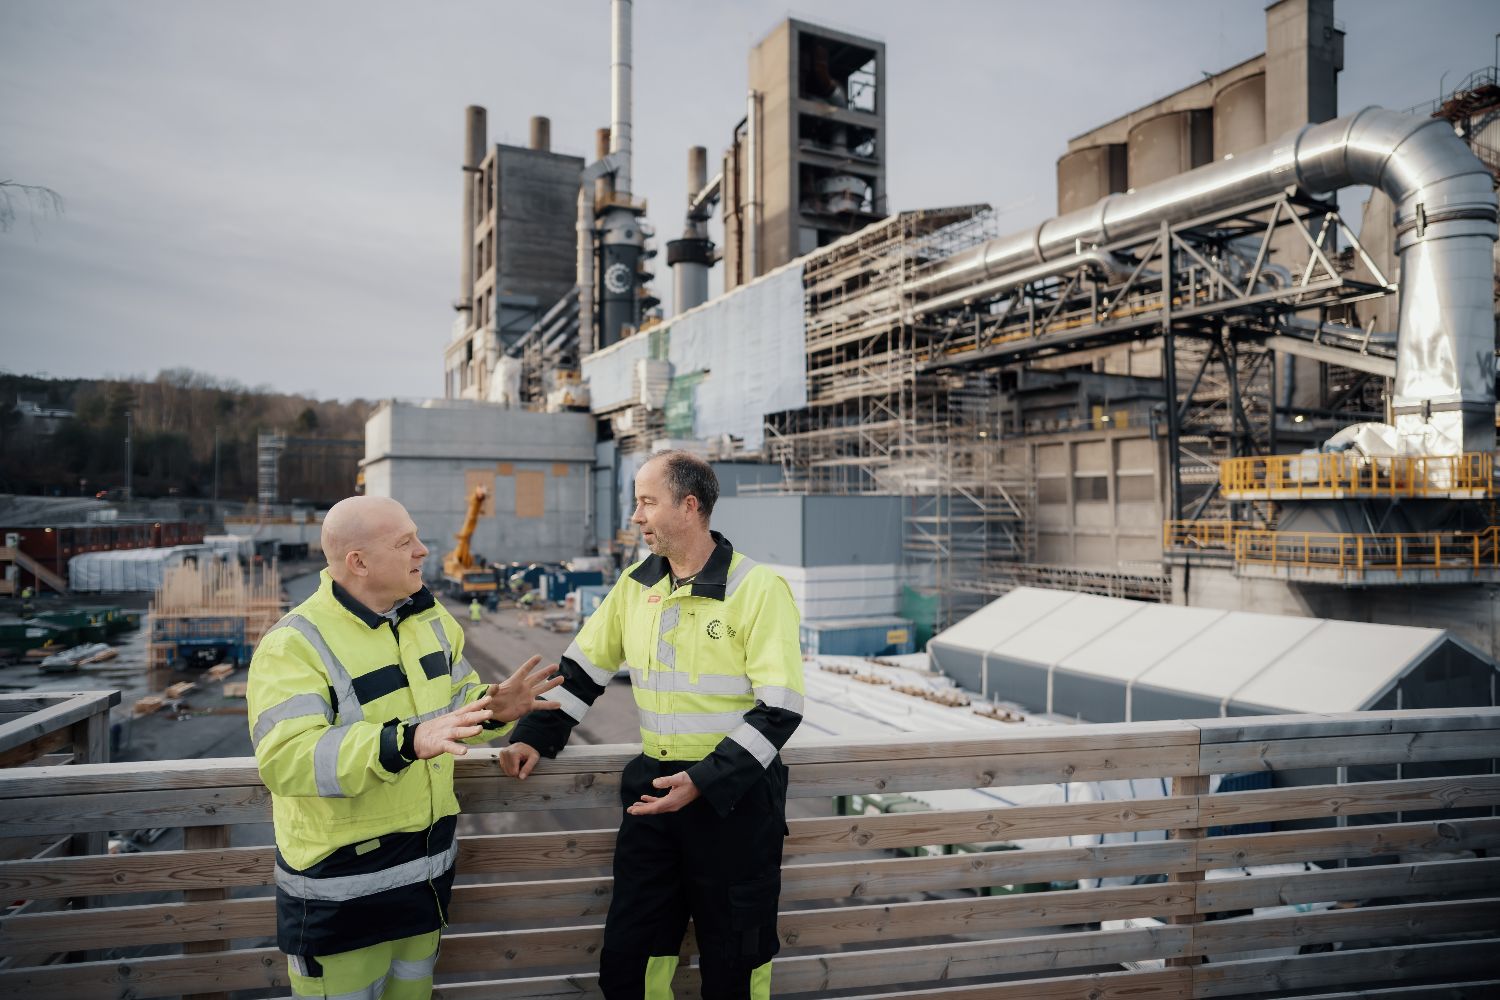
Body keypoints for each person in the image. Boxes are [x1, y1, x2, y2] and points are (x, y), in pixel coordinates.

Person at [505, 451, 804, 1000]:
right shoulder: (634, 585)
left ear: (690, 507)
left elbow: (780, 708)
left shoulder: (759, 590)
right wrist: (532, 738)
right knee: (630, 961)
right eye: (635, 503)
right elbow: (580, 674)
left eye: (646, 502)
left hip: (733, 806)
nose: (635, 517)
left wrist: (706, 780)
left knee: (736, 961)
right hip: (652, 801)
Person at [248, 495, 563, 1000]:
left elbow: (455, 708)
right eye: (405, 543)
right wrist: (406, 741)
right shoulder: (295, 644)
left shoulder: (431, 621)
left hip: (424, 882)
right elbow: (288, 760)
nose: (422, 550)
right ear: (358, 562)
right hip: (342, 895)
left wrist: (493, 707)